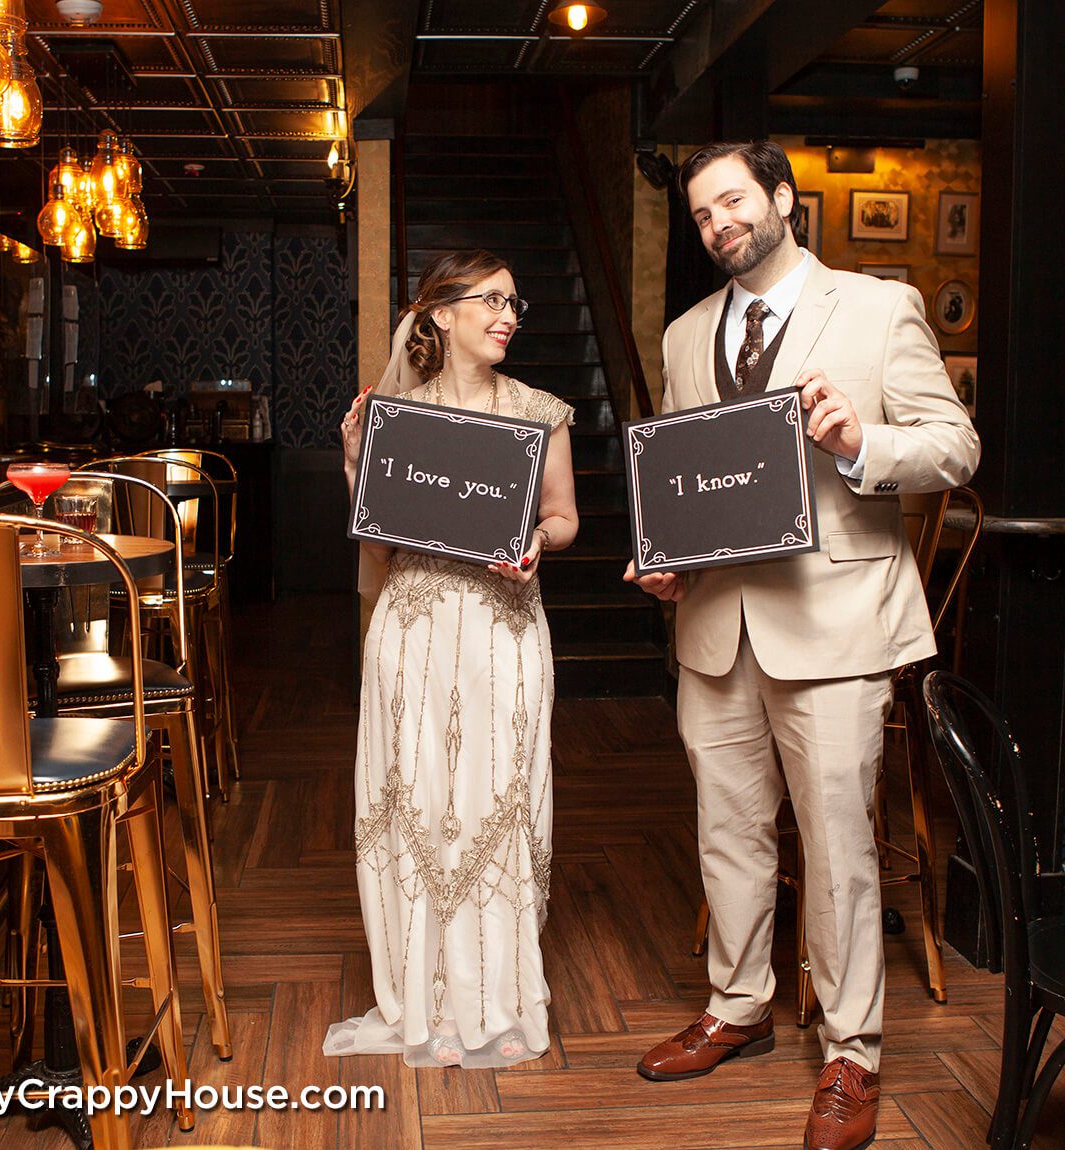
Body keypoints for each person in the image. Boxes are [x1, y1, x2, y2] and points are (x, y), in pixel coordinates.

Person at [625, 142, 979, 1150]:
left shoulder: (876, 306)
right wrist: (666, 559)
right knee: (728, 835)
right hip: (716, 623)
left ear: (780, 198)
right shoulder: (686, 333)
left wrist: (861, 441)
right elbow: (692, 482)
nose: (718, 224)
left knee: (838, 849)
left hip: (834, 624)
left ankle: (851, 1051)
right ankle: (737, 1006)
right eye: (701, 215)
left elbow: (954, 443)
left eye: (732, 200)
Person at [325, 249, 579, 1068]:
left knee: (495, 801)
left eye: (516, 302)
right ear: (440, 315)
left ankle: (492, 993)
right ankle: (418, 990)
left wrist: (538, 544)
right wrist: (357, 461)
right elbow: (380, 539)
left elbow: (565, 517)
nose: (509, 315)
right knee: (420, 801)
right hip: (416, 629)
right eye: (493, 300)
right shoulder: (398, 417)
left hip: (503, 625)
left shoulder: (543, 411)